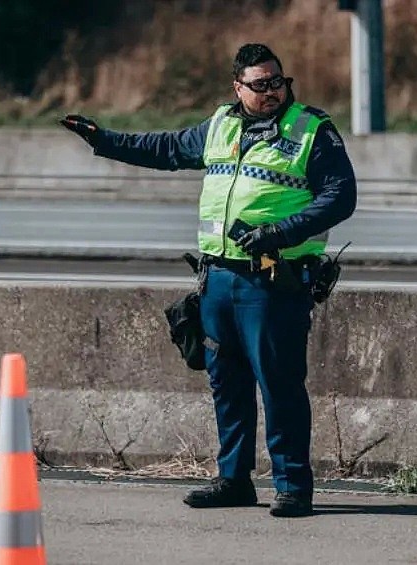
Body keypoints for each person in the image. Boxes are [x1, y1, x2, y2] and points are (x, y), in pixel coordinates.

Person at [61, 43, 356, 518]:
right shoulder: (220, 125)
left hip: (272, 283)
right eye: (260, 85)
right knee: (227, 384)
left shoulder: (311, 130)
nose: (273, 92)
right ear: (237, 87)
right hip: (217, 279)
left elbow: (341, 196)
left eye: (279, 82)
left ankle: (293, 487)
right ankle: (234, 480)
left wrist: (279, 232)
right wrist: (105, 140)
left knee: (280, 386)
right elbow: (167, 149)